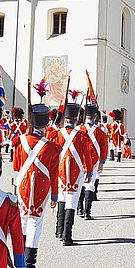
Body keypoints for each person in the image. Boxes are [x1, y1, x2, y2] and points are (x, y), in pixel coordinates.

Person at [12, 103, 61, 268]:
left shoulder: (20, 142)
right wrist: (55, 195)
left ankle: (21, 264)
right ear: (45, 124)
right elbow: (54, 174)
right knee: (35, 224)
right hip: (41, 189)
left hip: (23, 187)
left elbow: (17, 167)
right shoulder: (51, 146)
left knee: (23, 223)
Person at [54, 102, 94, 246]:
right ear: (76, 120)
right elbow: (87, 156)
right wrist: (89, 171)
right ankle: (67, 236)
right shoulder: (81, 136)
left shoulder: (57, 134)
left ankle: (58, 230)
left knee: (61, 198)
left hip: (60, 171)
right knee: (71, 202)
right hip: (76, 173)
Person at [79, 104, 108, 220]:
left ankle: (79, 209)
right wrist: (102, 162)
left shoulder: (79, 130)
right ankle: (87, 212)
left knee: (80, 183)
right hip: (94, 161)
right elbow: (104, 148)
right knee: (90, 185)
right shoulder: (100, 132)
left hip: (80, 160)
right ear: (96, 117)